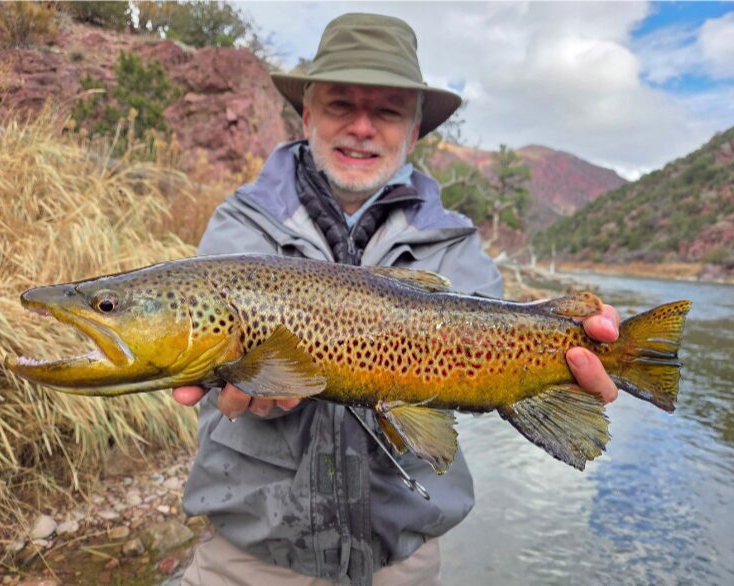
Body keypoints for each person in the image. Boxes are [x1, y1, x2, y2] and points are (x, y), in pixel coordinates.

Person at [173, 13, 620, 586]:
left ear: (413, 133)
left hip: (402, 561)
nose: (361, 127)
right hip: (250, 557)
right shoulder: (242, 223)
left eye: (385, 111)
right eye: (340, 105)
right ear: (308, 116)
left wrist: (572, 366)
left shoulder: (455, 240)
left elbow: (493, 341)